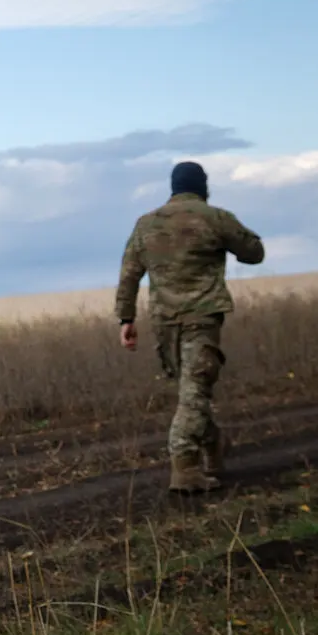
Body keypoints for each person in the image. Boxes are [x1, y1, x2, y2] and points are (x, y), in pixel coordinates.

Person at [115, 160, 265, 493]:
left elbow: (129, 274)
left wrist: (126, 319)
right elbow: (254, 253)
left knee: (191, 390)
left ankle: (213, 446)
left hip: (163, 322)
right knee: (193, 392)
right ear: (203, 186)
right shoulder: (214, 218)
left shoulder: (145, 224)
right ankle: (185, 467)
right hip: (202, 317)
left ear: (173, 187)